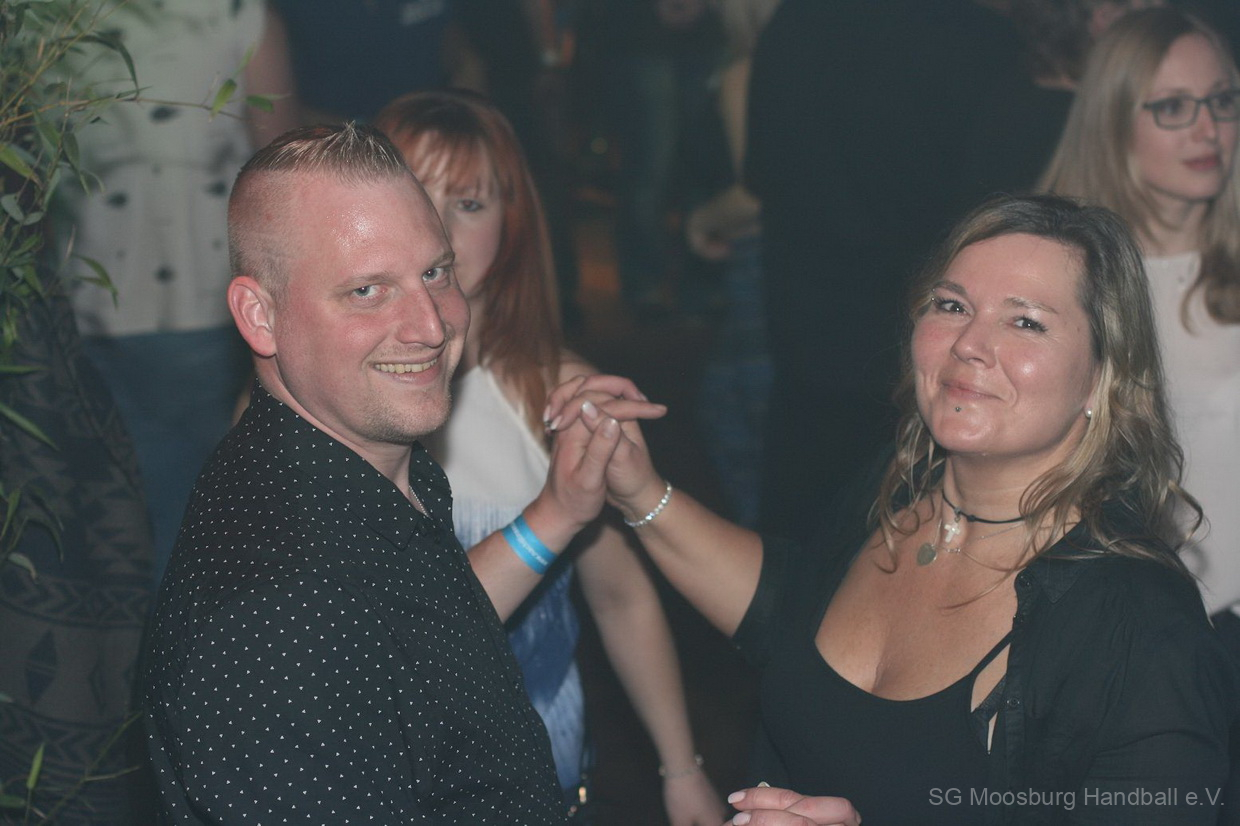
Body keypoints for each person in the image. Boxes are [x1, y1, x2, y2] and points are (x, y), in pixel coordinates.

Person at [547, 194, 1239, 824]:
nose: (969, 344)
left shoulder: (1142, 633)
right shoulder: (901, 485)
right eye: (952, 306)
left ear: (1102, 379)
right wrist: (637, 487)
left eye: (1025, 321)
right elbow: (790, 612)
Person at [141, 122, 637, 822]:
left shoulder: (370, 474)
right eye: (367, 290)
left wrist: (559, 511)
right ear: (260, 315)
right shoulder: (276, 619)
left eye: (435, 273)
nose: (431, 326)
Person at [373, 88, 725, 824]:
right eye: (417, 194)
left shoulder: (557, 394)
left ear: (512, 225)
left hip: (540, 778)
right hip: (376, 783)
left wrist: (681, 769)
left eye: (470, 203)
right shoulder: (317, 394)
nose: (439, 228)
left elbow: (620, 595)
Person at [1038, 7, 1240, 655]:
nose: (1208, 129)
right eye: (1173, 107)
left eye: (1222, 100)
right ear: (1112, 120)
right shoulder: (1066, 281)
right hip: (1138, 637)